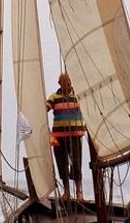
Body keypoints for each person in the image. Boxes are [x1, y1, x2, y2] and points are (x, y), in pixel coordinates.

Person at [46, 72, 85, 201]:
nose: (66, 85)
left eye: (68, 82)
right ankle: (67, 192)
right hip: (59, 137)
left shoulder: (78, 96)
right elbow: (45, 108)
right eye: (63, 82)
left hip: (75, 136)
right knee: (62, 164)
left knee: (77, 164)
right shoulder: (54, 97)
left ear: (71, 82)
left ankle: (79, 192)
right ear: (59, 84)